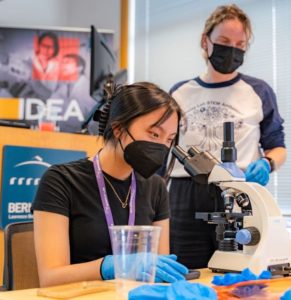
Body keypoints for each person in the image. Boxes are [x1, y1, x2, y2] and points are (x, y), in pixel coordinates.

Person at [32, 82, 188, 287]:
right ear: (118, 128)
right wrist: (108, 266)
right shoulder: (60, 181)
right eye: (154, 134)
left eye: (169, 139)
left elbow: (159, 270)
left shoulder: (156, 186)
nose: (162, 147)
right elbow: (50, 278)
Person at [169, 4, 287, 269]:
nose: (232, 49)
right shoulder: (179, 93)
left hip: (241, 192)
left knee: (244, 274)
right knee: (188, 273)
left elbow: (277, 145)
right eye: (223, 41)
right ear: (205, 41)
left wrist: (267, 163)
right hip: (185, 195)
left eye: (240, 44)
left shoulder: (258, 91)